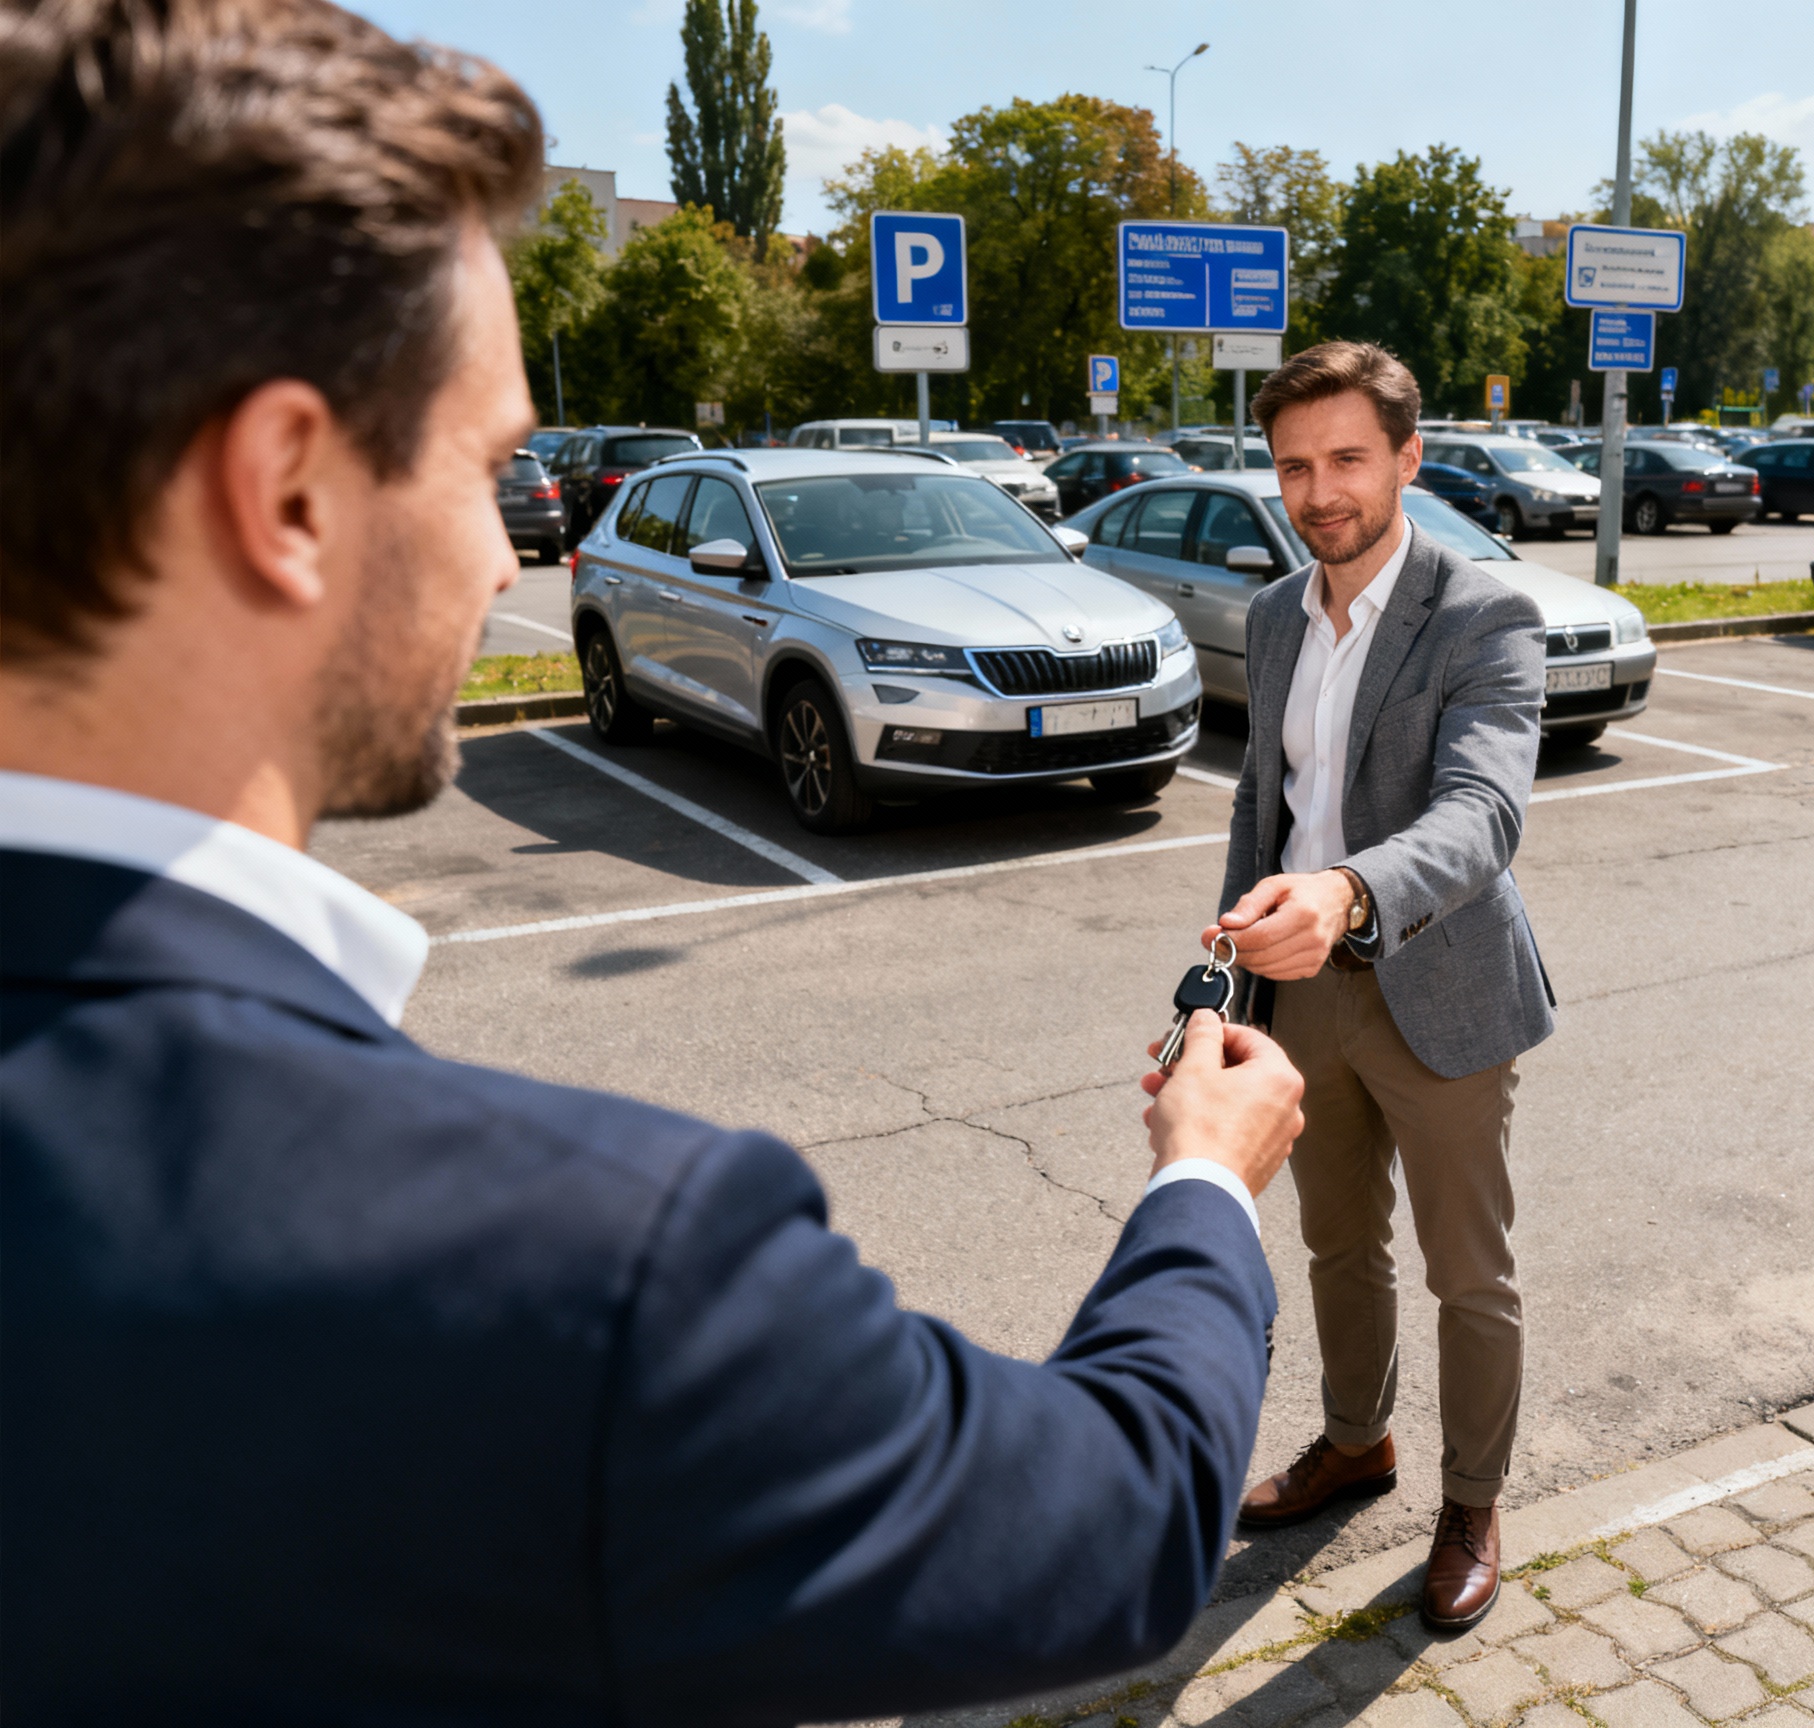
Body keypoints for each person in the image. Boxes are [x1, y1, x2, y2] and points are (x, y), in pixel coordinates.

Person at [0, 1, 1304, 1718]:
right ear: (288, 491)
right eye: (484, 468)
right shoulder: (577, 1268)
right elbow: (1112, 1523)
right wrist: (1205, 1176)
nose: (508, 555)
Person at [1205, 341, 1553, 1631]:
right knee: (1335, 1241)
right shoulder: (1276, 612)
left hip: (1440, 979)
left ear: (1409, 457)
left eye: (1347, 458)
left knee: (1471, 1269)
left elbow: (1482, 817)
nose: (1319, 490)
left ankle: (1472, 1500)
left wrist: (1349, 893)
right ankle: (1357, 1441)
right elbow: (1264, 810)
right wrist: (1220, 979)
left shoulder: (1481, 612)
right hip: (1302, 993)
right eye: (1295, 465)